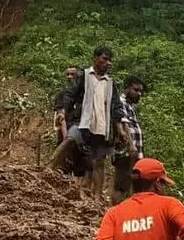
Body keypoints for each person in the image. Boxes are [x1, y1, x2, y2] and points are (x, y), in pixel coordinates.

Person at [51, 47, 132, 196]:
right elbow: (70, 94)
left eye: (110, 61)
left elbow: (117, 108)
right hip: (83, 120)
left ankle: (97, 197)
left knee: (99, 161)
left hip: (102, 125)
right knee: (70, 139)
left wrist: (120, 129)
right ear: (95, 59)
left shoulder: (110, 84)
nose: (108, 63)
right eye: (104, 59)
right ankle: (48, 169)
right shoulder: (83, 76)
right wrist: (62, 111)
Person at [112, 76, 146, 204]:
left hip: (134, 150)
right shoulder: (121, 102)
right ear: (127, 88)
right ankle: (115, 212)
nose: (139, 94)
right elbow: (123, 123)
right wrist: (131, 146)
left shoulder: (129, 105)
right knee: (120, 183)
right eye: (136, 90)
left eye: (140, 91)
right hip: (126, 150)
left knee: (132, 183)